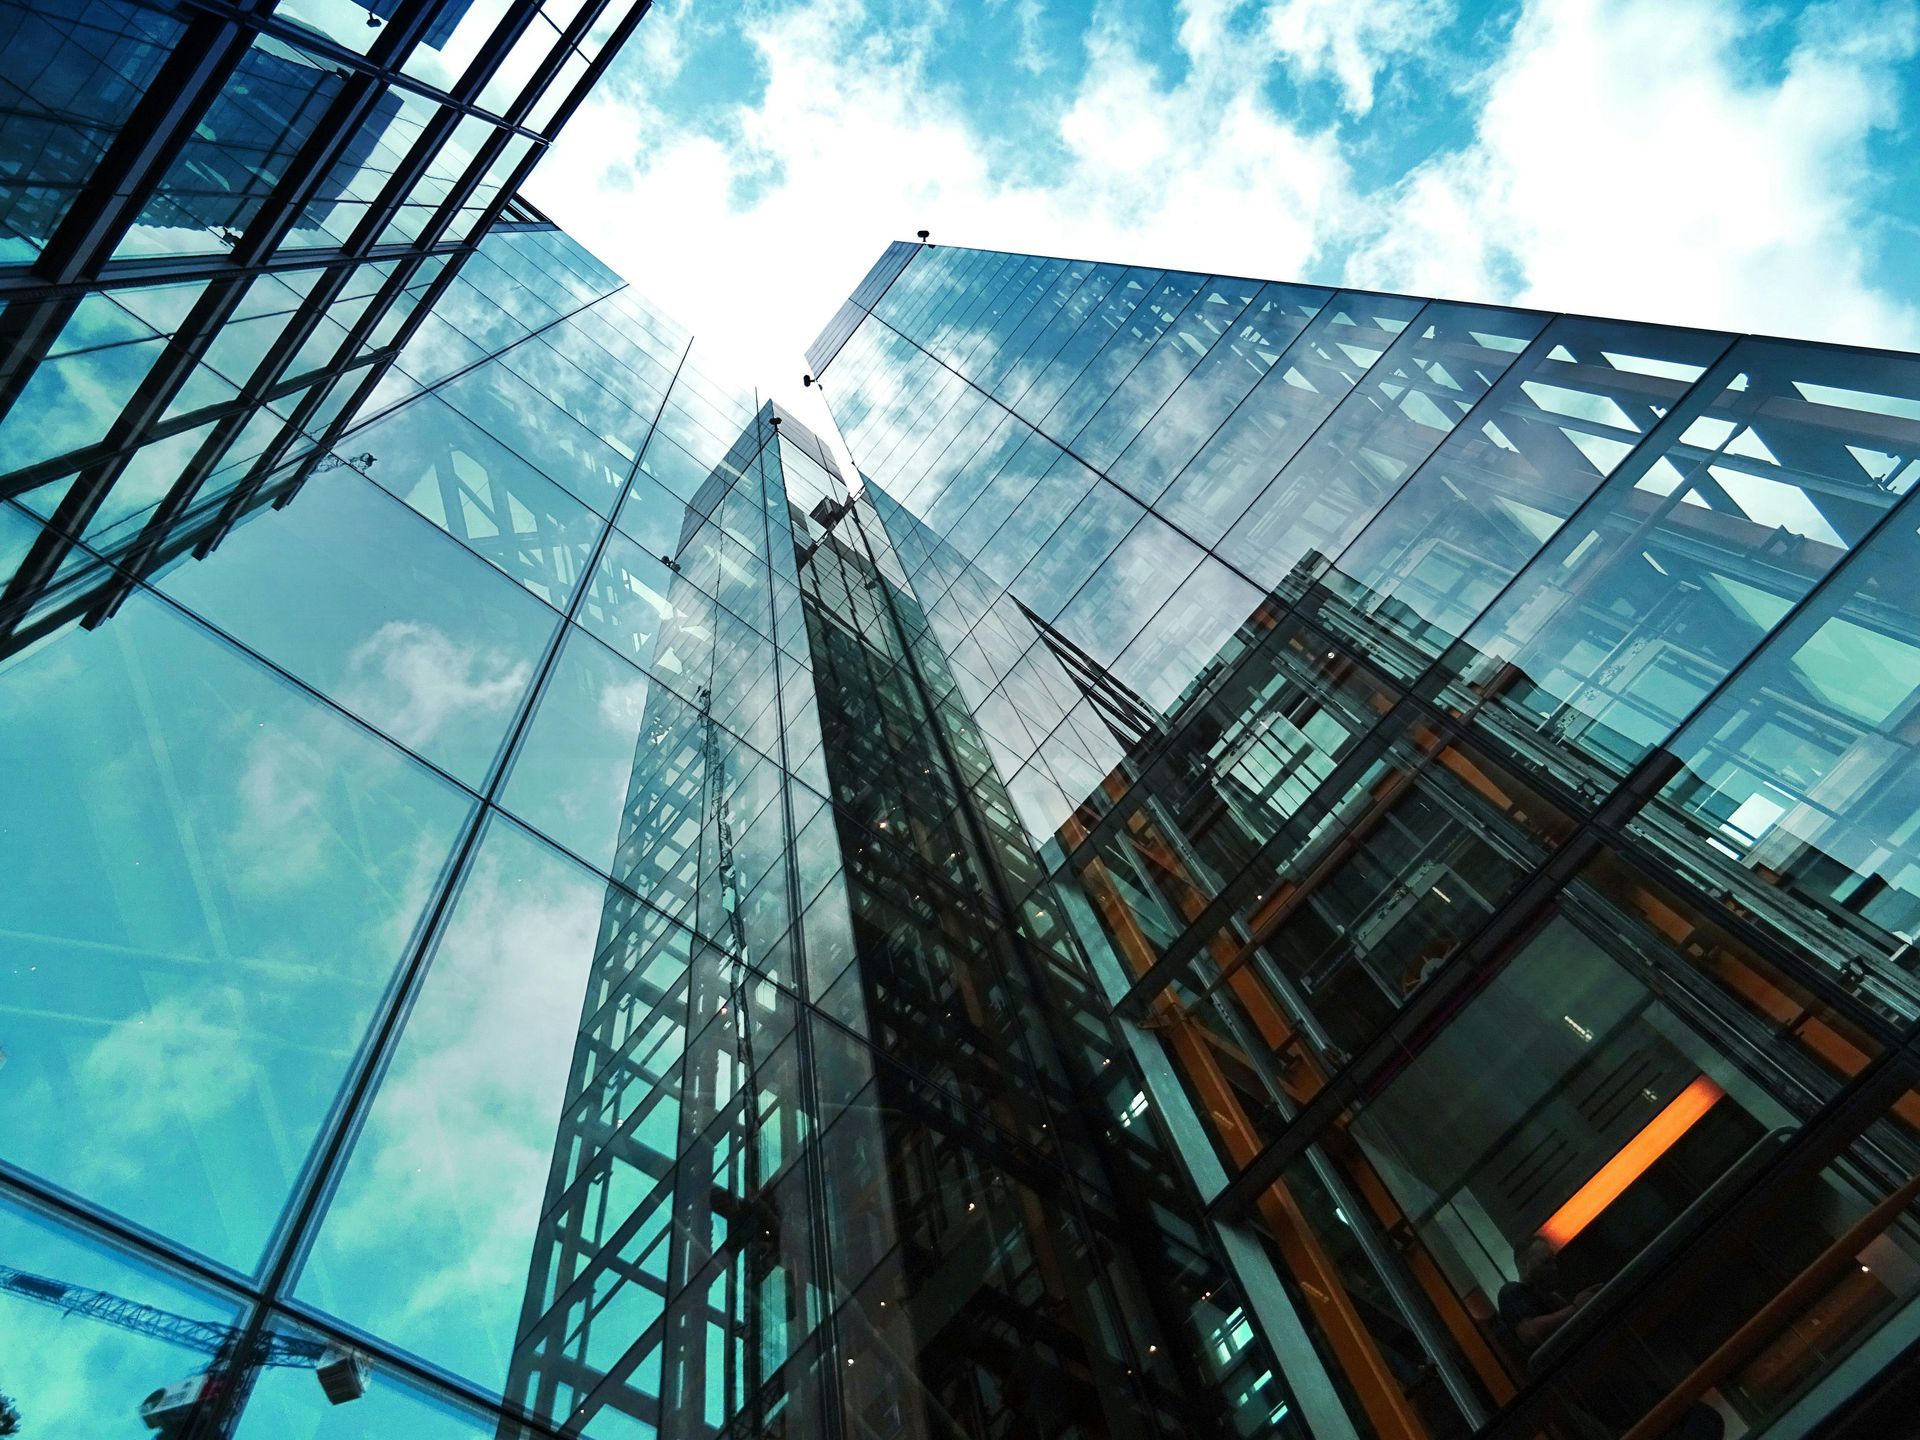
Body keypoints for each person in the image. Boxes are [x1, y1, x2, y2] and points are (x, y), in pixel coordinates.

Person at [1499, 1237, 1724, 1440]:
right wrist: (1577, 1308)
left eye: (1553, 1262)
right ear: (1523, 1264)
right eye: (1545, 1263)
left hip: (1612, 1383)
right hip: (1602, 1390)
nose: (1553, 1269)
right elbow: (1529, 1332)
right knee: (1695, 1419)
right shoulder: (1513, 1293)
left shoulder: (1551, 1299)